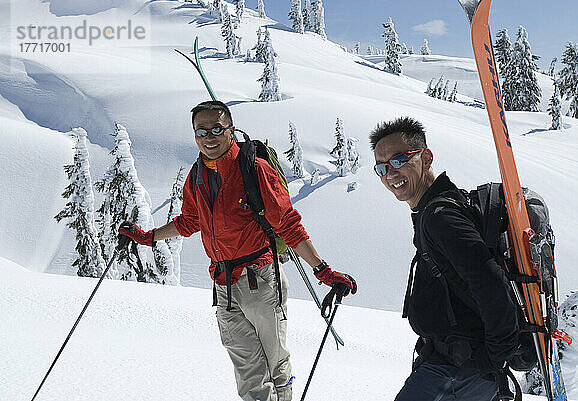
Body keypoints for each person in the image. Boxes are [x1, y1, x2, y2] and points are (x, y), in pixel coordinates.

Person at [118, 100, 357, 401]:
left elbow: (287, 224)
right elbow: (191, 220)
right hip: (223, 284)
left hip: (261, 279)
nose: (209, 137)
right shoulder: (196, 177)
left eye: (217, 129)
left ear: (231, 130)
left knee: (275, 364)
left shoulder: (255, 170)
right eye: (201, 131)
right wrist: (150, 236)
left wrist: (322, 270)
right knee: (248, 371)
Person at [369, 117, 519, 401]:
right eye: (381, 167)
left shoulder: (441, 216)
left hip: (457, 369)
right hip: (457, 363)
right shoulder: (436, 208)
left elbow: (488, 279)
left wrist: (495, 359)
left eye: (399, 160)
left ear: (426, 157)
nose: (390, 173)